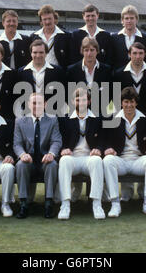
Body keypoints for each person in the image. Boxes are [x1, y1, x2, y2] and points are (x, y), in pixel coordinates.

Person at [102, 87, 146, 217]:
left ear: (136, 103)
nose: (129, 105)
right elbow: (104, 139)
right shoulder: (112, 118)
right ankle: (115, 203)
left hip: (139, 160)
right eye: (126, 102)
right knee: (107, 160)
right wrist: (107, 148)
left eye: (132, 102)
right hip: (121, 160)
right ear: (121, 103)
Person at [57, 88, 105, 220]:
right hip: (73, 158)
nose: (81, 102)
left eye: (84, 99)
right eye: (78, 100)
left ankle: (97, 204)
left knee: (97, 160)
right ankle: (65, 204)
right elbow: (58, 139)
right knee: (64, 160)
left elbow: (103, 139)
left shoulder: (97, 118)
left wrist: (99, 149)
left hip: (89, 157)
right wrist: (63, 149)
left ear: (89, 101)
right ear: (73, 101)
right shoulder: (65, 119)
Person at [13, 93, 62, 219]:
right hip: (28, 161)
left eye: (40, 103)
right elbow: (17, 144)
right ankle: (23, 204)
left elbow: (56, 141)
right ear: (29, 104)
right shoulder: (20, 121)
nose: (37, 106)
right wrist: (22, 154)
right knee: (20, 165)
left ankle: (48, 203)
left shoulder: (52, 120)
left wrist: (51, 154)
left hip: (45, 160)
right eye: (34, 103)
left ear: (45, 104)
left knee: (52, 164)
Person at [66, 37, 113, 116]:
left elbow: (110, 93)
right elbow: (69, 94)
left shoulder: (106, 70)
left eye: (92, 50)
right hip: (79, 113)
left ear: (97, 51)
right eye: (86, 50)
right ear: (82, 51)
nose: (89, 53)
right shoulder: (72, 70)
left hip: (100, 113)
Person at [113, 42, 146, 118]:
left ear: (144, 54)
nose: (138, 56)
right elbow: (115, 97)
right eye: (134, 53)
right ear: (129, 54)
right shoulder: (119, 74)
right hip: (125, 115)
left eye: (141, 53)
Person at [17, 40, 65, 109]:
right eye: (35, 52)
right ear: (31, 53)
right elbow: (19, 95)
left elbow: (62, 94)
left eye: (41, 52)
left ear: (46, 53)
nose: (38, 55)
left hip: (51, 112)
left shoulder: (57, 71)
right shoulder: (21, 72)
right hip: (28, 113)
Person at [30, 4, 71, 69]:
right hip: (39, 73)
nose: (47, 22)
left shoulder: (66, 36)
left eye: (49, 19)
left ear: (54, 19)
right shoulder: (34, 37)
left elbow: (70, 58)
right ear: (41, 21)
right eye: (44, 19)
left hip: (58, 73)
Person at [111, 5, 146, 70]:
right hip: (118, 76)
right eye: (126, 18)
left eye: (132, 18)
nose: (129, 21)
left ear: (136, 20)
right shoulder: (114, 37)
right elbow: (112, 60)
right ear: (122, 21)